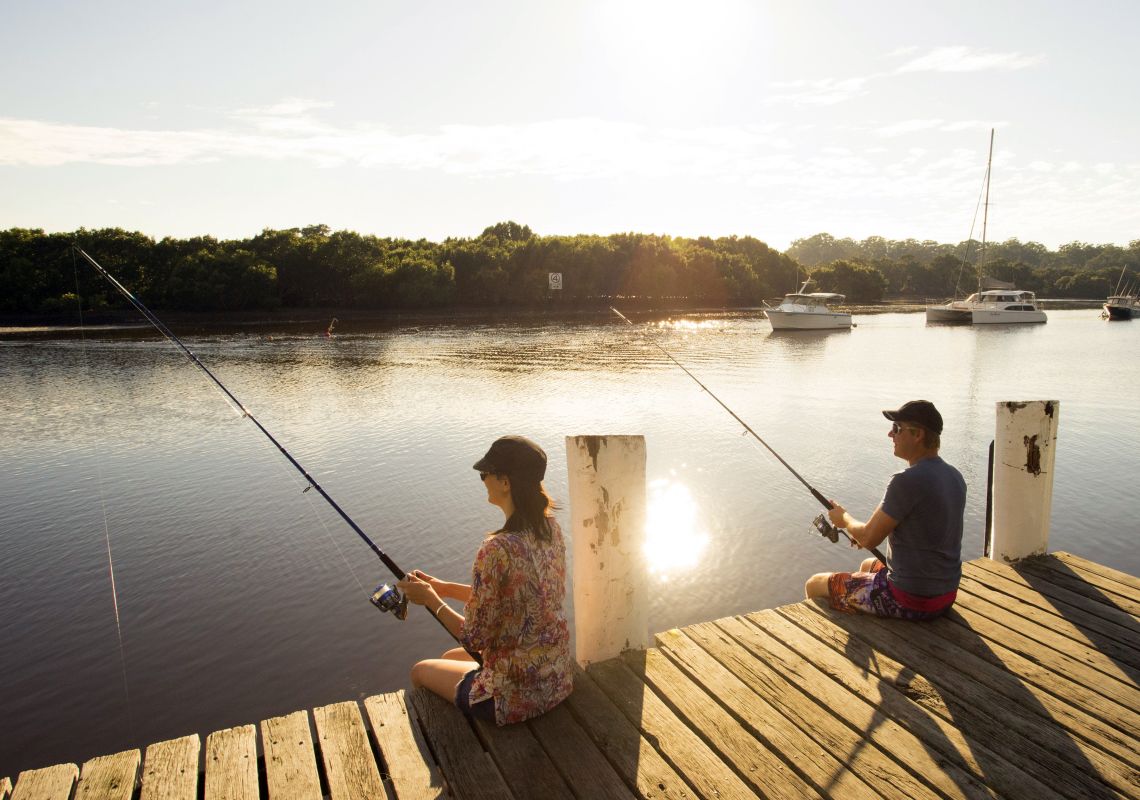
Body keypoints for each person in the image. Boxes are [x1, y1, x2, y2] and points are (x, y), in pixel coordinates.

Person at [397, 435, 572, 724]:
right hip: (556, 679)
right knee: (449, 657)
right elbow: (515, 598)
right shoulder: (550, 529)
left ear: (505, 482)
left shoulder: (495, 549)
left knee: (420, 670)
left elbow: (474, 637)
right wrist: (444, 589)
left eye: (484, 474)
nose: (482, 481)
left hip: (512, 698)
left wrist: (431, 600)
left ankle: (453, 742)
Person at [804, 400, 966, 620]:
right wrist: (859, 533)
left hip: (911, 600)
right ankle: (865, 618)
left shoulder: (905, 481)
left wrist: (844, 519)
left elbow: (868, 539)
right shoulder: (955, 476)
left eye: (897, 428)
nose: (891, 434)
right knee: (867, 565)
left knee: (815, 584)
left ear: (918, 434)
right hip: (945, 596)